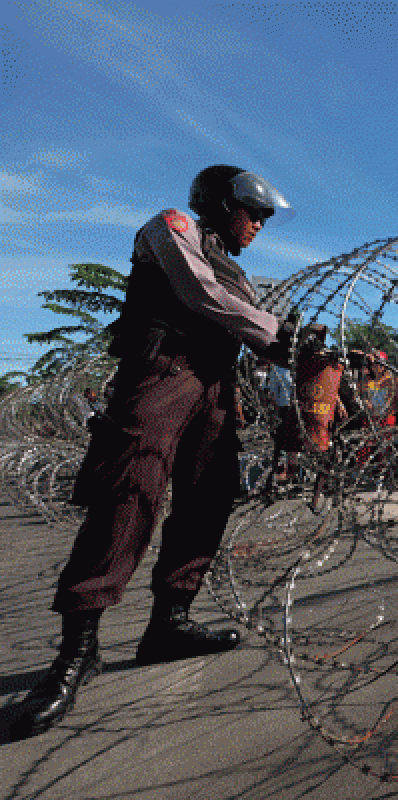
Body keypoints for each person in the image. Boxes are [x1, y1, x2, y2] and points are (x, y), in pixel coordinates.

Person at [14, 165, 298, 739]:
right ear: (219, 203)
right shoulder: (172, 228)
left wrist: (313, 352)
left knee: (209, 499)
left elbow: (260, 338)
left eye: (266, 216)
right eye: (254, 211)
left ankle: (170, 622)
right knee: (129, 494)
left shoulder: (242, 279)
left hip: (216, 391)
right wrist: (276, 333)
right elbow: (200, 293)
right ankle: (77, 653)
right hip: (162, 376)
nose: (261, 223)